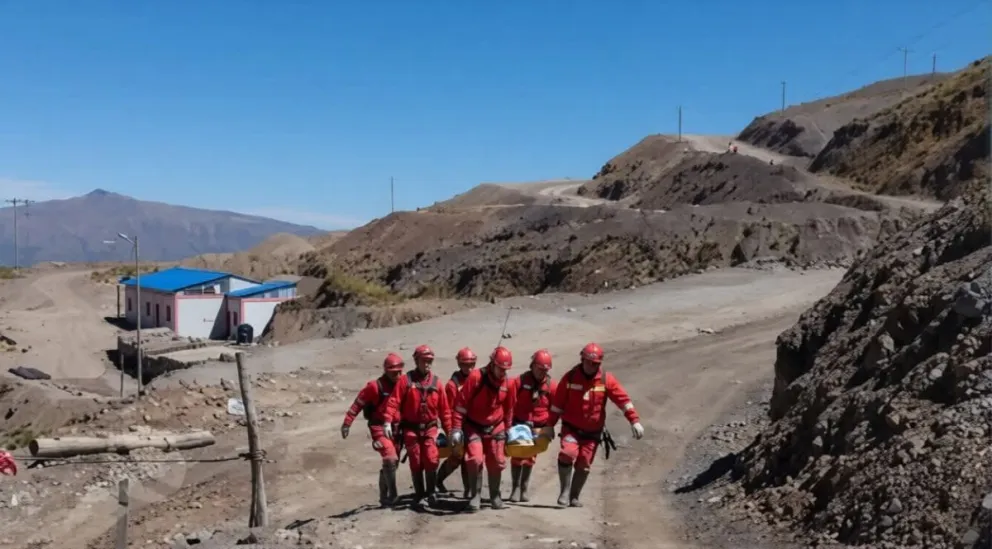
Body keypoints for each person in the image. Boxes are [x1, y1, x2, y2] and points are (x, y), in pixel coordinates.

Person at [543, 342, 644, 508]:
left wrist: (634, 420)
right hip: (571, 429)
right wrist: (549, 426)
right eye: (589, 362)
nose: (592, 366)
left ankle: (574, 497)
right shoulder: (569, 378)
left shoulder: (605, 379)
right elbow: (557, 405)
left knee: (583, 464)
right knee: (567, 453)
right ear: (582, 359)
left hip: (592, 433)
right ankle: (564, 491)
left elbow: (623, 401)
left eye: (596, 364)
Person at [382, 344, 452, 508]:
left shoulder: (437, 383)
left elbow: (445, 410)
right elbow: (393, 401)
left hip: (430, 428)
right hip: (411, 429)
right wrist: (387, 421)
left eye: (429, 361)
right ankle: (420, 494)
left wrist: (449, 432)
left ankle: (431, 492)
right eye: (423, 360)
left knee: (430, 458)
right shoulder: (405, 381)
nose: (427, 364)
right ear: (416, 360)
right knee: (416, 461)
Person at [450, 346, 515, 512]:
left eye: (505, 369)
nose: (503, 372)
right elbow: (461, 405)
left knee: (496, 461)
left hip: (496, 426)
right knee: (475, 459)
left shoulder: (508, 383)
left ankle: (495, 495)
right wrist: (456, 428)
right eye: (500, 368)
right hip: (474, 426)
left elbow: (509, 409)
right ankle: (475, 495)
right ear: (492, 364)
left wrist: (508, 430)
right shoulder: (476, 378)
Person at [340, 352, 405, 506]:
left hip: (398, 429)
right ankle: (393, 495)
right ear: (387, 370)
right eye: (394, 372)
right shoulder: (375, 387)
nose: (398, 375)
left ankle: (384, 496)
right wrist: (347, 423)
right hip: (379, 428)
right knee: (390, 458)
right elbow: (358, 403)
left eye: (400, 371)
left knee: (392, 463)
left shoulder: (403, 384)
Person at [507, 349, 557, 503]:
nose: (541, 372)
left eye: (545, 370)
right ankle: (515, 488)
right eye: (539, 369)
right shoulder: (519, 382)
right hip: (519, 426)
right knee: (517, 456)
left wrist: (550, 426)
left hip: (538, 427)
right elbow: (509, 404)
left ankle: (524, 488)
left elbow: (556, 409)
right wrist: (508, 426)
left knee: (530, 457)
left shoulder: (551, 386)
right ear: (532, 365)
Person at [435, 347, 477, 498]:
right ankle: (437, 480)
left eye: (471, 364)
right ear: (459, 365)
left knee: (468, 458)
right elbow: (448, 409)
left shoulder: (477, 380)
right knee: (456, 458)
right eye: (465, 364)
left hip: (473, 424)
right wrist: (453, 430)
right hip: (458, 426)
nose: (469, 368)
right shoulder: (452, 386)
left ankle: (469, 490)